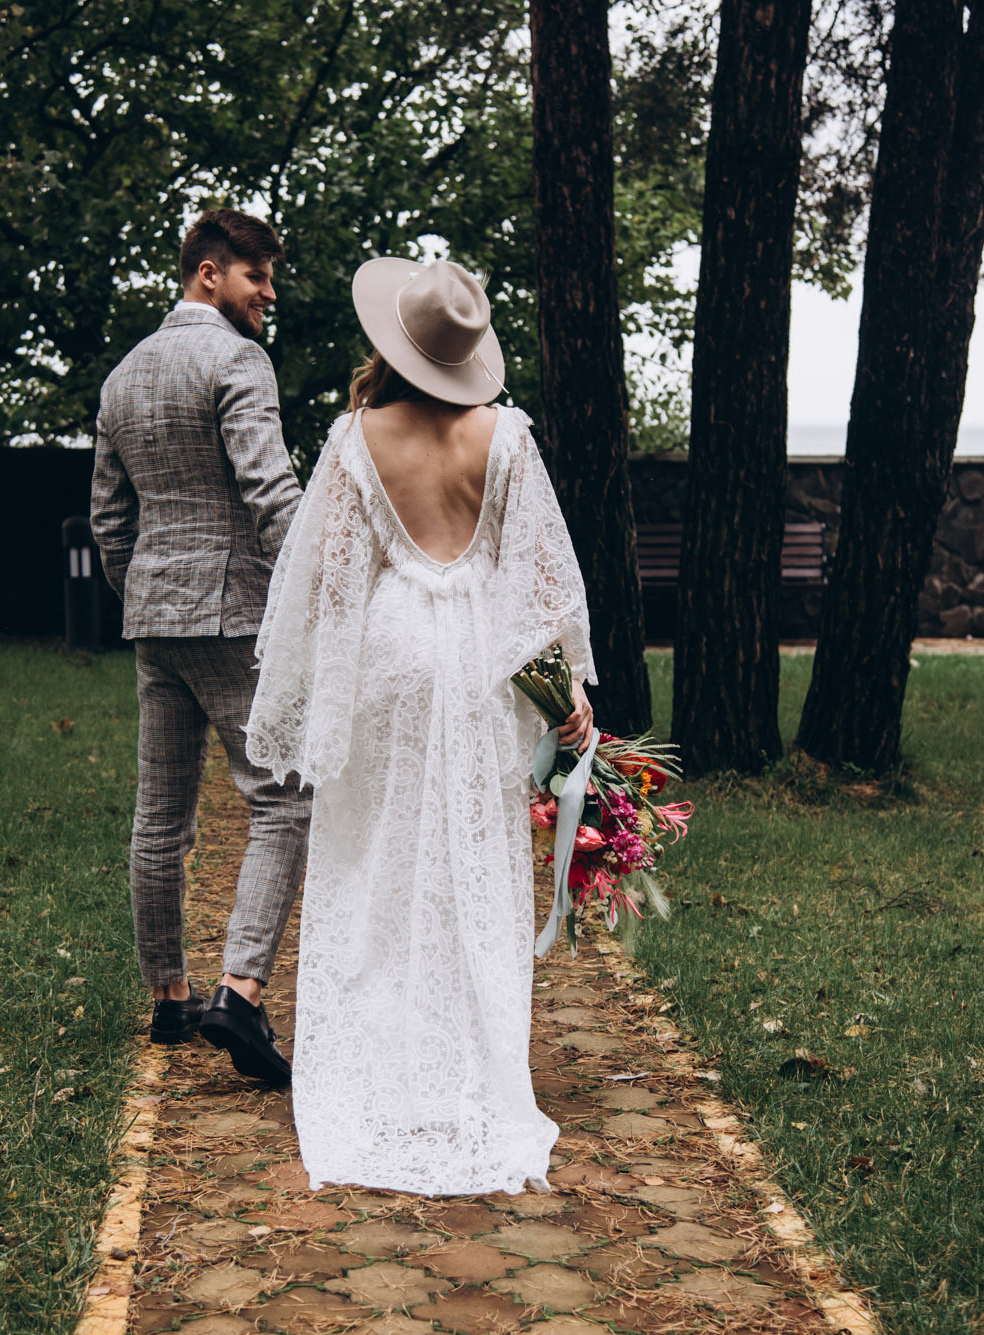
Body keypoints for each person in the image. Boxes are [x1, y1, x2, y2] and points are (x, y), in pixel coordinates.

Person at [245, 257, 597, 1195]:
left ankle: (384, 1061)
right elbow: (545, 589)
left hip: (391, 660)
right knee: (470, 857)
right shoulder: (507, 439)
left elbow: (329, 588)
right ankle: (470, 1061)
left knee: (382, 857)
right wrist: (565, 695)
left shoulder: (357, 439)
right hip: (481, 664)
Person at [90, 209, 310, 1085]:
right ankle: (241, 991)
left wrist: (142, 594)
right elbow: (270, 488)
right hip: (234, 614)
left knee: (161, 815)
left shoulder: (123, 376)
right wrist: (314, 589)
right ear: (210, 274)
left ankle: (170, 995)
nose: (268, 295)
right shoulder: (236, 359)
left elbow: (112, 520)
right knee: (285, 798)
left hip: (152, 616)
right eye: (257, 277)